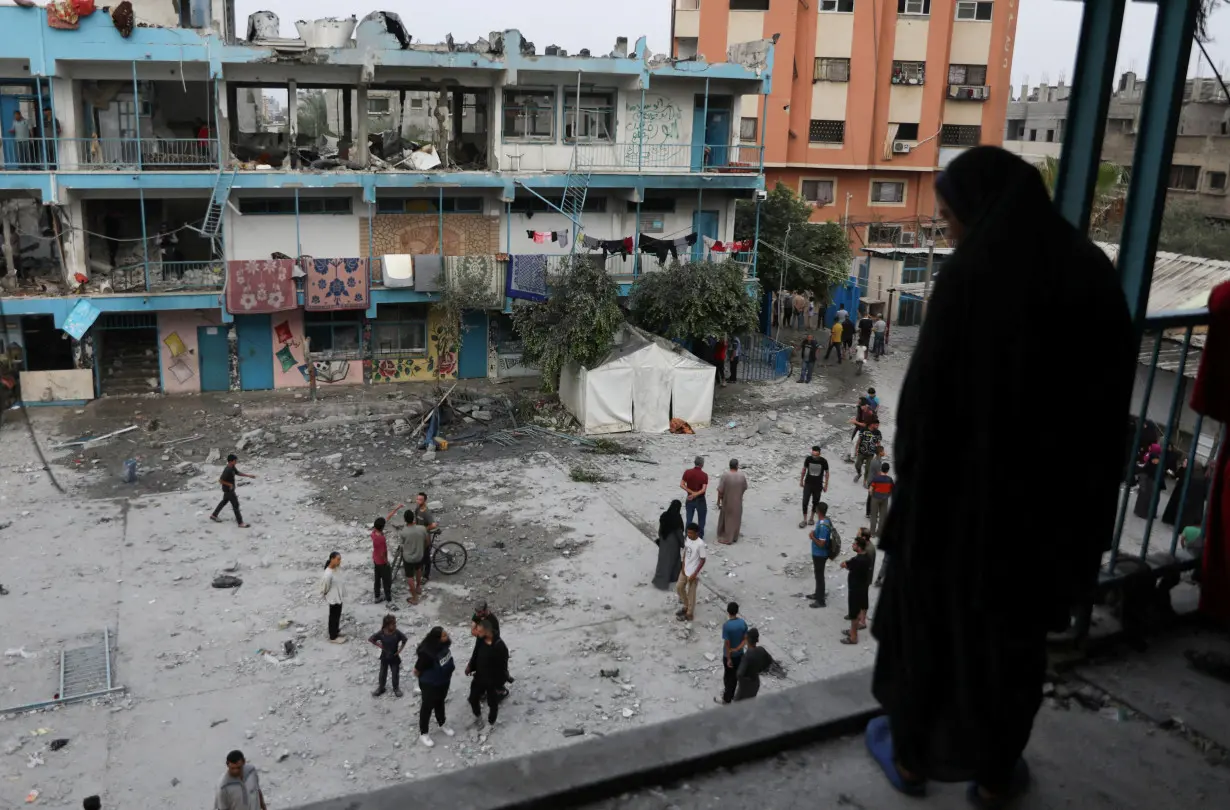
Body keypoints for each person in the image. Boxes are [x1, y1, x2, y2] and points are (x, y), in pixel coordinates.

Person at [866, 147, 1135, 807]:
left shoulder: (969, 281)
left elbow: (923, 408)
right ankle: (991, 774)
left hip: (950, 515)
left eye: (951, 218)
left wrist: (915, 490)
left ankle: (910, 760)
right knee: (1010, 648)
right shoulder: (1089, 275)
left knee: (925, 630)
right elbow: (1104, 415)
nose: (950, 231)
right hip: (1042, 520)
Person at [413, 626, 456, 747]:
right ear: (436, 638)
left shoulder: (445, 646)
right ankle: (424, 733)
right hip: (430, 684)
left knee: (440, 702)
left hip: (443, 682)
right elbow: (417, 670)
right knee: (427, 707)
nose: (446, 636)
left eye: (445, 634)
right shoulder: (427, 653)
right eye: (443, 635)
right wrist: (424, 682)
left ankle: (442, 723)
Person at [466, 617, 509, 730]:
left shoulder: (499, 645)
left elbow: (503, 666)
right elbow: (475, 654)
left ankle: (490, 724)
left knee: (492, 703)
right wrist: (470, 666)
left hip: (492, 681)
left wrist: (499, 684)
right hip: (479, 677)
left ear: (487, 631)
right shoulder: (481, 640)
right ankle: (478, 717)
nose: (476, 633)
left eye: (479, 631)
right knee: (473, 698)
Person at [841, 537, 874, 645]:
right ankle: (852, 631)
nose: (853, 545)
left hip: (855, 589)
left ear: (859, 548)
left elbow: (845, 564)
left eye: (855, 544)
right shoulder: (867, 557)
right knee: (858, 611)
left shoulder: (857, 560)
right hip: (862, 587)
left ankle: (853, 637)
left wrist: (845, 564)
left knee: (854, 614)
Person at [715, 602, 748, 705]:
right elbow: (745, 639)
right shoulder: (743, 623)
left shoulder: (727, 626)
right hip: (740, 655)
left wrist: (729, 658)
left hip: (729, 656)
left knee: (729, 678)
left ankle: (727, 699)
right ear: (737, 611)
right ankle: (732, 694)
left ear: (728, 612)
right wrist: (737, 648)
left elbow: (727, 643)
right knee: (735, 676)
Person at [210, 454, 255, 527]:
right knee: (236, 505)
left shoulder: (232, 467)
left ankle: (214, 515)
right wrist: (230, 485)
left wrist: (248, 475)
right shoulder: (227, 470)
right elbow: (221, 480)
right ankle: (240, 523)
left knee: (224, 502)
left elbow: (237, 473)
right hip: (229, 490)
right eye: (235, 460)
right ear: (231, 461)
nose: (236, 461)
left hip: (228, 490)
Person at [368, 613, 408, 697]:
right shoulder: (382, 633)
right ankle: (381, 687)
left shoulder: (397, 633)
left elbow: (404, 639)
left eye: (395, 623)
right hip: (384, 656)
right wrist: (380, 645)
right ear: (386, 625)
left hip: (394, 657)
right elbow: (371, 639)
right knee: (382, 673)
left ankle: (396, 688)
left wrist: (400, 650)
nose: (395, 625)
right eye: (393, 624)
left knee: (395, 673)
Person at [675, 523, 707, 622]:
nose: (689, 534)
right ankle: (686, 605)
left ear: (697, 533)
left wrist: (695, 574)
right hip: (685, 570)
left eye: (691, 533)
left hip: (693, 573)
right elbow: (685, 552)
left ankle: (689, 613)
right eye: (688, 532)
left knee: (691, 593)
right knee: (679, 587)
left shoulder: (701, 544)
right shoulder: (688, 539)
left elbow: (702, 560)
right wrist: (683, 566)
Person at [397, 509, 428, 605]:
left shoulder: (403, 532)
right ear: (413, 518)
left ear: (405, 520)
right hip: (419, 555)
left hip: (408, 558)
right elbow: (427, 542)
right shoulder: (422, 528)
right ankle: (418, 587)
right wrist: (422, 549)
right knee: (418, 570)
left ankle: (414, 598)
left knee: (409, 577)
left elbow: (402, 545)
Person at [734, 628, 774, 701]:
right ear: (757, 640)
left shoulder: (747, 656)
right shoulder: (761, 649)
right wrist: (759, 670)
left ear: (747, 640)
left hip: (746, 687)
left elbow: (739, 674)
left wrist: (743, 684)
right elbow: (769, 661)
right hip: (756, 683)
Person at [654, 500, 686, 589]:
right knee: (673, 561)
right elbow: (679, 533)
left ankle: (659, 579)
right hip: (673, 544)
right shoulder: (677, 518)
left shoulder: (664, 515)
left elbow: (660, 530)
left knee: (663, 561)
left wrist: (661, 538)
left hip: (664, 541)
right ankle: (672, 577)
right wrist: (683, 543)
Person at [716, 458, 748, 545]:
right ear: (737, 466)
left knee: (727, 518)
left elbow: (720, 490)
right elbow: (744, 487)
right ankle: (734, 537)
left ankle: (727, 537)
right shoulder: (741, 475)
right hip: (737, 501)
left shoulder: (725, 475)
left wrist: (718, 501)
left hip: (727, 501)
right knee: (736, 518)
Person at [808, 502, 833, 608]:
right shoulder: (825, 520)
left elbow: (822, 544)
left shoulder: (823, 526)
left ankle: (820, 600)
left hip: (820, 554)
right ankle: (817, 594)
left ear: (818, 511)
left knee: (819, 576)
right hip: (818, 553)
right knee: (818, 575)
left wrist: (812, 537)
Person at [799, 445, 830, 528]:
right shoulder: (808, 459)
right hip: (808, 483)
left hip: (818, 485)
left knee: (815, 502)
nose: (814, 457)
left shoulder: (824, 461)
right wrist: (801, 480)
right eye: (813, 454)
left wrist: (825, 485)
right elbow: (804, 470)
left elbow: (827, 473)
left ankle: (811, 518)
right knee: (805, 501)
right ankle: (805, 520)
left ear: (819, 454)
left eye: (816, 455)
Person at [319, 552, 346, 643]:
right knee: (333, 617)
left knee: (337, 615)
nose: (339, 561)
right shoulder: (328, 574)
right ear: (332, 559)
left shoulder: (336, 568)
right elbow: (324, 587)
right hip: (333, 598)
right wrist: (327, 595)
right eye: (338, 559)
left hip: (338, 596)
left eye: (340, 559)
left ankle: (336, 631)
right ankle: (333, 637)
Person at [680, 456, 709, 537]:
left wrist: (691, 493)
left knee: (689, 519)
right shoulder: (704, 475)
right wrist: (695, 494)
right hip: (700, 499)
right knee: (701, 520)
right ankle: (700, 537)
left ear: (694, 463)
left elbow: (682, 484)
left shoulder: (687, 472)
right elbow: (703, 489)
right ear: (702, 464)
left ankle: (687, 536)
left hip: (689, 498)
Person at [414, 492, 438, 582]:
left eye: (420, 499)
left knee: (426, 557)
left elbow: (433, 525)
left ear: (425, 501)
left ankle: (426, 576)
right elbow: (415, 520)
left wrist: (424, 528)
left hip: (425, 537)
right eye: (417, 499)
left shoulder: (426, 512)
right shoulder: (417, 509)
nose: (418, 501)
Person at [854, 419, 884, 486]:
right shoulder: (863, 430)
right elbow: (859, 440)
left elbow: (878, 443)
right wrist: (856, 450)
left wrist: (879, 453)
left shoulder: (878, 433)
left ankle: (865, 482)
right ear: (872, 424)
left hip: (870, 454)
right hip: (861, 452)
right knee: (857, 465)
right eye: (876, 425)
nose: (878, 426)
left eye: (878, 425)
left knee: (868, 469)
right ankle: (859, 474)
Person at [370, 516, 393, 605]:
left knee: (377, 579)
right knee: (386, 580)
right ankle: (388, 598)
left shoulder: (373, 534)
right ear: (382, 527)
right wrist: (386, 561)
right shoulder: (382, 539)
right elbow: (383, 552)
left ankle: (377, 596)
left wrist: (397, 508)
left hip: (375, 560)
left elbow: (386, 519)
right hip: (382, 562)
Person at [868, 462, 894, 538]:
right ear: (888, 470)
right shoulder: (890, 480)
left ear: (881, 469)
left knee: (874, 516)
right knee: (882, 516)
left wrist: (872, 495)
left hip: (875, 498)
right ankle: (879, 533)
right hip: (885, 499)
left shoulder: (876, 478)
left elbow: (871, 489)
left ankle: (872, 533)